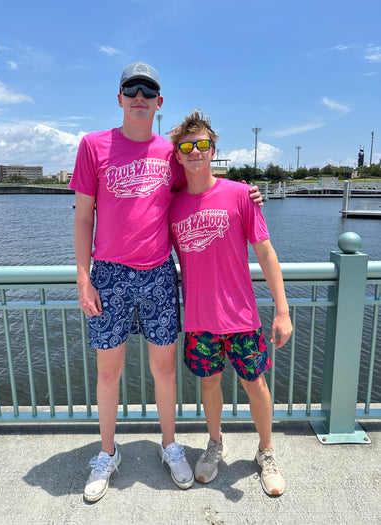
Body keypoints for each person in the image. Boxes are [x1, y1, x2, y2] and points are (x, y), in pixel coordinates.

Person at [69, 62, 263, 502]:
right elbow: (83, 217)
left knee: (163, 369)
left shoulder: (169, 153)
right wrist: (84, 278)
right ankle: (106, 453)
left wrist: (247, 193)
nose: (139, 95)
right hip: (110, 274)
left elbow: (202, 185)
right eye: (130, 88)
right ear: (119, 98)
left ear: (159, 102)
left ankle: (170, 444)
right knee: (108, 371)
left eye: (148, 90)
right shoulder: (93, 146)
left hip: (158, 273)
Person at [169, 110, 292, 496]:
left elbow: (267, 254)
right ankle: (215, 444)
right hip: (199, 319)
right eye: (187, 146)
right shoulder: (171, 207)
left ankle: (266, 452)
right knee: (209, 384)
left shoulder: (240, 194)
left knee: (254, 383)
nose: (195, 151)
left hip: (242, 315)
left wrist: (283, 310)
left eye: (202, 144)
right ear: (178, 155)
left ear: (213, 150)